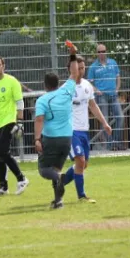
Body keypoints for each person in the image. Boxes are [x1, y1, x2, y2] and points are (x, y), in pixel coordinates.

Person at [59, 54, 112, 203]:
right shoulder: (66, 88)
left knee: (83, 164)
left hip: (84, 130)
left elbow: (93, 106)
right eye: (78, 68)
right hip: (71, 130)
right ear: (70, 69)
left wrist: (104, 123)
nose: (81, 71)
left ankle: (61, 181)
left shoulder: (87, 85)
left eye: (83, 68)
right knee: (80, 161)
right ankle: (81, 196)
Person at [34, 46, 81, 209]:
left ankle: (59, 180)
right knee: (56, 169)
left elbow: (39, 119)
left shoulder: (42, 100)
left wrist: (37, 138)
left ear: (45, 85)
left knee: (44, 169)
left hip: (51, 138)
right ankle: (58, 201)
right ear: (59, 83)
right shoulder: (67, 90)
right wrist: (73, 54)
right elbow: (75, 73)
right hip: (67, 138)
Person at [0, 55, 29, 196]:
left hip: (9, 121)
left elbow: (20, 102)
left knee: (2, 151)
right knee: (0, 156)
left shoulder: (12, 81)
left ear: (3, 66)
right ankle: (3, 187)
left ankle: (21, 178)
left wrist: (20, 122)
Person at [87, 44, 124, 150]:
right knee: (105, 120)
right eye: (99, 52)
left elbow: (118, 77)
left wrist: (117, 88)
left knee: (120, 117)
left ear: (106, 51)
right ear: (96, 53)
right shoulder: (93, 67)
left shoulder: (113, 63)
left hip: (113, 94)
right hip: (101, 96)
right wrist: (96, 90)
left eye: (103, 51)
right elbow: (89, 83)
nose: (101, 53)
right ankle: (110, 145)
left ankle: (115, 142)